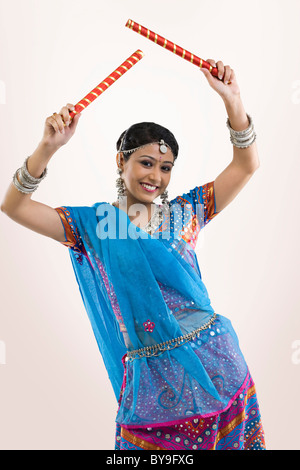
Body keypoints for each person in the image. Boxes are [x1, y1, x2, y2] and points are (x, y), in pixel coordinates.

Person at [1, 59, 266, 450]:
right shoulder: (92, 228)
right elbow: (15, 207)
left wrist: (233, 100)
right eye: (146, 162)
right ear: (120, 162)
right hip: (149, 381)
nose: (155, 177)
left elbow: (247, 165)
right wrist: (47, 147)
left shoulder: (184, 213)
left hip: (217, 363)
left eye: (166, 167)